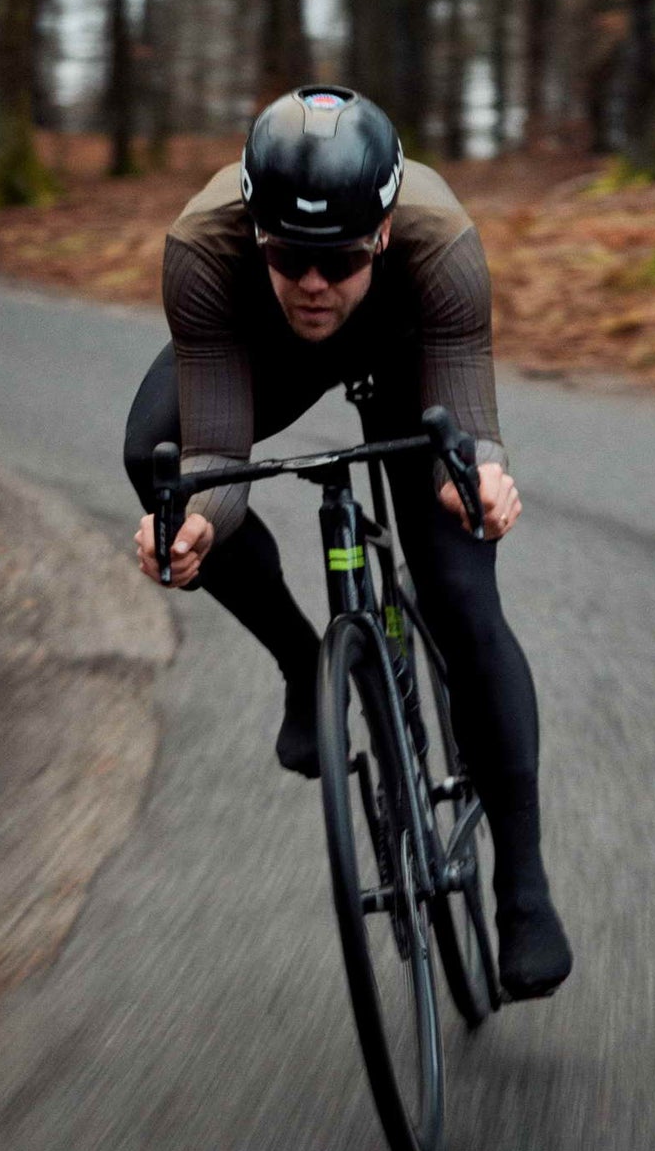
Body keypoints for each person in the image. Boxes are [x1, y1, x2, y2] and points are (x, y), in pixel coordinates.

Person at [124, 85, 572, 1002]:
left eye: (336, 259)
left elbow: (470, 434)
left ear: (378, 235)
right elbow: (214, 454)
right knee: (155, 460)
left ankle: (522, 885)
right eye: (290, 257)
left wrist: (475, 479)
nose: (314, 283)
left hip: (408, 348)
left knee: (463, 598)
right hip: (262, 354)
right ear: (256, 234)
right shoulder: (202, 251)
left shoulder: (440, 246)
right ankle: (304, 662)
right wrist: (197, 523)